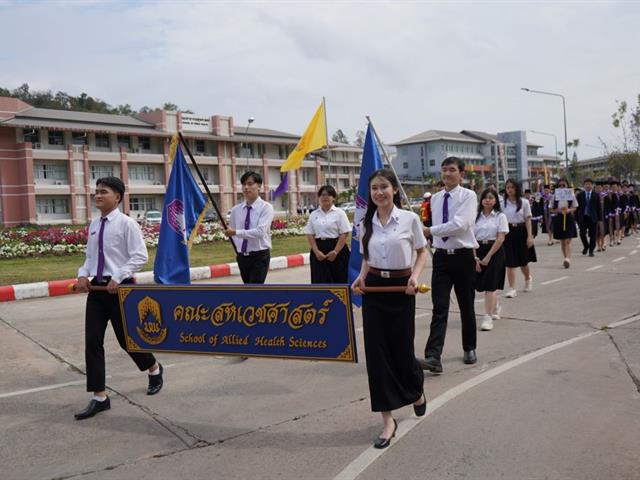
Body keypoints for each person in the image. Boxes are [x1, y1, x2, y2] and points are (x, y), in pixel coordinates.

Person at [351, 168, 428, 449]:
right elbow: (366, 258)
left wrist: (415, 277)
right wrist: (361, 277)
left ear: (394, 189)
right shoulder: (365, 222)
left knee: (402, 352)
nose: (379, 192)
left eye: (384, 187)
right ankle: (388, 421)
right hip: (374, 291)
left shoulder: (409, 219)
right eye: (374, 188)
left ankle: (415, 391)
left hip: (401, 290)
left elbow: (422, 251)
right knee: (377, 356)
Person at [74, 177, 163, 420]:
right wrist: (83, 275)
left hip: (121, 290)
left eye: (103, 192)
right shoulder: (94, 225)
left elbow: (139, 256)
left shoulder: (126, 224)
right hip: (98, 291)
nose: (98, 196)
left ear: (118, 197)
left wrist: (119, 276)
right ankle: (99, 397)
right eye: (96, 192)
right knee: (92, 341)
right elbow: (90, 259)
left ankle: (153, 368)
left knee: (128, 341)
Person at [420, 157, 479, 373]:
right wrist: (425, 234)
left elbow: (460, 225)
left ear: (461, 173)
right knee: (440, 307)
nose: (447, 174)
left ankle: (469, 347)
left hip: (463, 257)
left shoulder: (469, 196)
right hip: (442, 258)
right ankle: (433, 355)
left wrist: (431, 231)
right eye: (444, 170)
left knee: (466, 305)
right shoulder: (435, 199)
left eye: (452, 170)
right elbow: (434, 225)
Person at [224, 171, 274, 284]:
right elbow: (232, 231)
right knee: (247, 288)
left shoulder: (266, 208)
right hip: (242, 257)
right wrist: (238, 247)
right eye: (243, 184)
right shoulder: (236, 210)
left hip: (259, 256)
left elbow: (260, 232)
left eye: (250, 184)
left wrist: (236, 232)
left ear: (259, 186)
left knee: (255, 290)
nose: (246, 187)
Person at [473, 189, 508, 331]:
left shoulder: (500, 217)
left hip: (495, 251)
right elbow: (471, 239)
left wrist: (488, 257)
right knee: (480, 285)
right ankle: (495, 305)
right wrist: (475, 258)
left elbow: (501, 238)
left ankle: (487, 317)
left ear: (495, 201)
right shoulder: (475, 217)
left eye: (491, 198)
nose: (487, 200)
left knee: (490, 285)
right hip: (478, 250)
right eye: (485, 198)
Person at [305, 185, 351, 284]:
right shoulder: (314, 214)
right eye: (322, 195)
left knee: (339, 279)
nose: (325, 197)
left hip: (337, 249)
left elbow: (344, 233)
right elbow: (310, 234)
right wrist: (316, 252)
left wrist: (335, 252)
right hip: (319, 250)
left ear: (333, 197)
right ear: (319, 197)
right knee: (319, 280)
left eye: (328, 194)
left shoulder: (340, 213)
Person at [501, 179, 536, 297]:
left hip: (521, 232)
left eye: (512, 187)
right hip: (507, 233)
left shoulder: (524, 202)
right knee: (510, 262)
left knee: (523, 261)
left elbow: (528, 220)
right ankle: (512, 288)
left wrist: (530, 236)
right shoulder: (502, 203)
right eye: (507, 188)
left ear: (517, 189)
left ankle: (527, 279)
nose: (509, 190)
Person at [551, 178, 578, 268]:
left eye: (564, 185)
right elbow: (551, 209)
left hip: (569, 218)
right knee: (562, 241)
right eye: (560, 185)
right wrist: (558, 210)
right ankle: (566, 258)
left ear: (567, 186)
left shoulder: (571, 194)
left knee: (568, 240)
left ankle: (568, 259)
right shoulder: (554, 196)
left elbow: (575, 207)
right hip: (559, 218)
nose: (562, 187)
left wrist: (569, 210)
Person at [576, 178, 602, 257]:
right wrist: (576, 218)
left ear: (592, 185)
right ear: (584, 185)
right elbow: (577, 208)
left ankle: (591, 250)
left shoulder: (596, 195)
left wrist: (600, 219)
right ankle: (586, 246)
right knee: (582, 233)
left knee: (593, 235)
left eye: (589, 184)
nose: (588, 186)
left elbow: (599, 208)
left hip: (593, 217)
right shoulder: (580, 195)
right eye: (586, 184)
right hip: (583, 217)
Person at [595, 181, 608, 252]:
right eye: (597, 188)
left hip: (603, 216)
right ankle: (598, 245)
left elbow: (608, 206)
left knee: (602, 231)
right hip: (595, 216)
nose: (598, 189)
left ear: (602, 188)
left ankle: (603, 244)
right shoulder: (593, 196)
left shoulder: (605, 196)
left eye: (599, 187)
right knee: (596, 232)